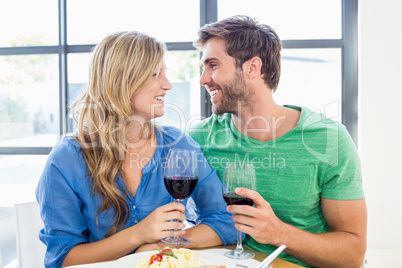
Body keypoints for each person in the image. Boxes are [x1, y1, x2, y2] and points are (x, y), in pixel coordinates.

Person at [35, 31, 237, 268]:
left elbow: (226, 221)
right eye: (155, 75)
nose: (167, 85)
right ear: (120, 81)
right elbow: (62, 259)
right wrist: (139, 235)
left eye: (165, 74)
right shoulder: (67, 158)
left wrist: (162, 246)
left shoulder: (178, 145)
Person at [188, 15, 367, 268]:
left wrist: (279, 233)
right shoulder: (200, 138)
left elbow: (353, 254)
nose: (203, 79)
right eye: (203, 68)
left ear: (252, 67)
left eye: (213, 65)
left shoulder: (328, 140)